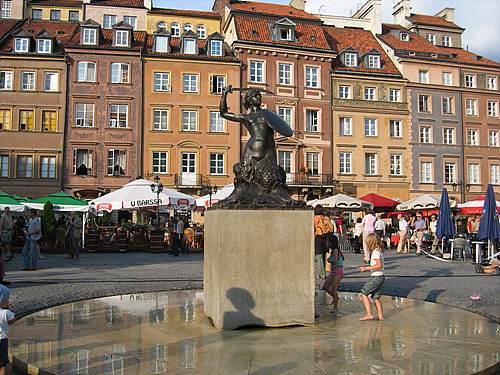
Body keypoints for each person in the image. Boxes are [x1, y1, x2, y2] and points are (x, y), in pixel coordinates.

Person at [358, 233, 385, 321]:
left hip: (376, 278)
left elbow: (378, 265)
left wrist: (366, 268)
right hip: (381, 277)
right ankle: (381, 316)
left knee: (364, 293)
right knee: (376, 298)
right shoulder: (379, 250)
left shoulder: (375, 252)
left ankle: (369, 314)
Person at [322, 235, 343, 312]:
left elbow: (335, 260)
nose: (326, 243)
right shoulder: (332, 250)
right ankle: (336, 298)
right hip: (333, 270)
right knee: (325, 286)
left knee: (334, 289)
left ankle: (335, 307)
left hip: (338, 270)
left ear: (331, 242)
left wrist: (328, 260)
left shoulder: (335, 250)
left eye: (327, 241)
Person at [314, 205, 333, 279]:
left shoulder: (315, 218)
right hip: (326, 239)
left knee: (319, 257)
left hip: (318, 238)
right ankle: (324, 272)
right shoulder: (326, 218)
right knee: (324, 256)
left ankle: (322, 274)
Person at [0, 284, 15, 375]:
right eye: (7, 299)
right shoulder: (6, 313)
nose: (8, 301)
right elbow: (13, 322)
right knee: (4, 363)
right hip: (2, 340)